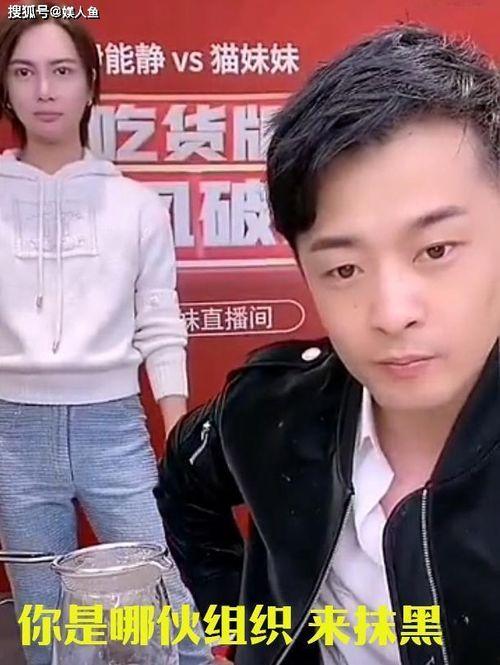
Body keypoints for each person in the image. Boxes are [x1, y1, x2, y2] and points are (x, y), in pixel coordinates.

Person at [155, 23, 500, 665]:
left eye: (436, 250)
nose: (392, 313)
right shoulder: (272, 409)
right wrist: (246, 629)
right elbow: (184, 482)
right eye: (344, 269)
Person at [0, 9, 212, 665]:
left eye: (62, 71)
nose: (44, 90)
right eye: (24, 73)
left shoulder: (135, 205)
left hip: (113, 427)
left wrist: (177, 427)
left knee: (165, 595)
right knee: (44, 615)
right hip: (13, 431)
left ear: (91, 84)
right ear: (6, 86)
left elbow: (159, 317)